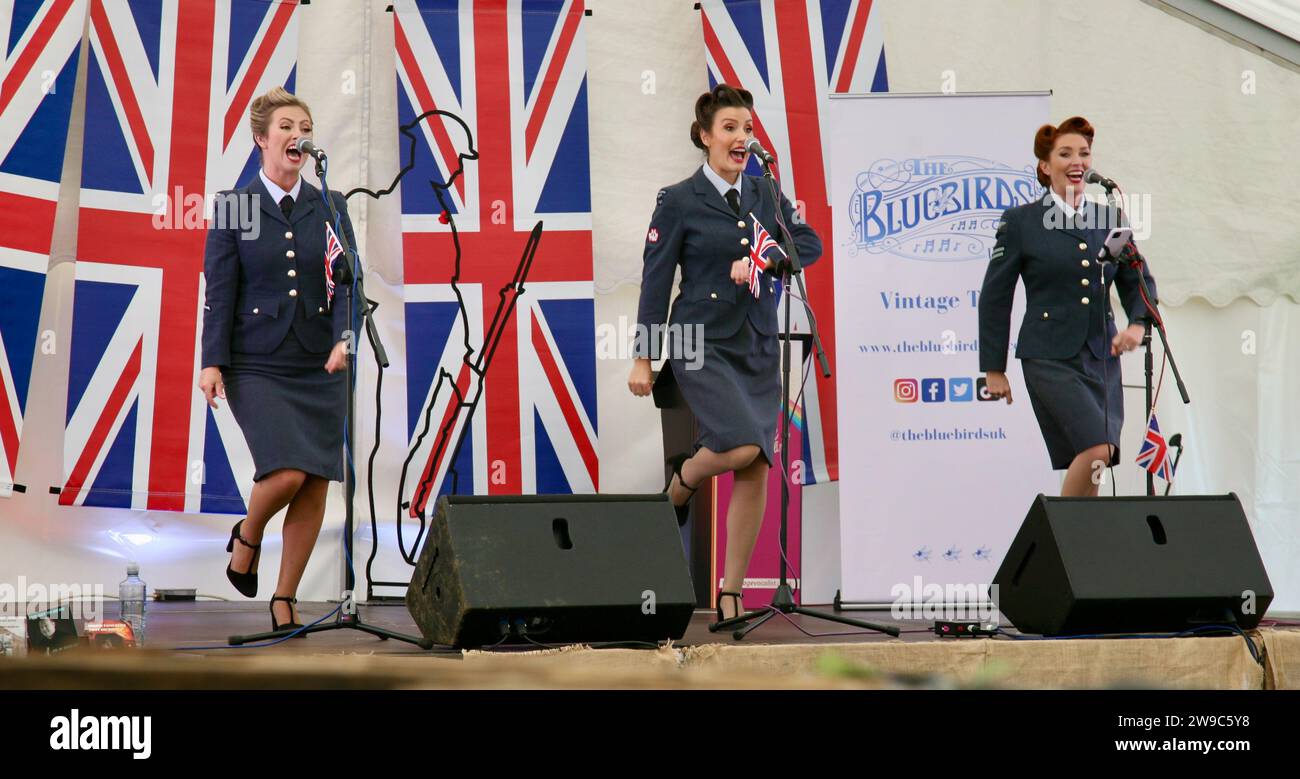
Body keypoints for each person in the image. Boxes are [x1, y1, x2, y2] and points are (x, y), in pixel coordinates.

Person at [627, 84, 822, 624]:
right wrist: (644, 356)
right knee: (738, 445)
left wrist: (768, 259)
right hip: (700, 341)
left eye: (748, 129)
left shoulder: (765, 191)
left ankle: (731, 592)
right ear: (705, 136)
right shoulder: (679, 199)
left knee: (757, 462)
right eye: (730, 128)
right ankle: (683, 481)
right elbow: (655, 281)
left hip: (757, 343)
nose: (742, 138)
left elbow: (809, 243)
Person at [197, 87, 356, 634]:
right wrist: (211, 361)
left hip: (321, 364)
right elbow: (219, 288)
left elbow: (347, 283)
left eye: (304, 125)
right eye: (286, 126)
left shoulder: (330, 205)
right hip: (257, 362)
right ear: (262, 139)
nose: (297, 134)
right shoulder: (235, 205)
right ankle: (248, 534)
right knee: (285, 472)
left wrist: (345, 338)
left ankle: (284, 599)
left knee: (314, 482)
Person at [978, 116, 1157, 496]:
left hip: (1101, 354)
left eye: (1084, 153)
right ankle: (1068, 537)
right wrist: (994, 367)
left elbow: (1136, 279)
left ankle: (1081, 543)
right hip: (1049, 355)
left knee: (1100, 455)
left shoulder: (1109, 216)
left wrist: (1138, 326)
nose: (1078, 161)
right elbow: (996, 296)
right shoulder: (1022, 221)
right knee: (1096, 448)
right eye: (1065, 154)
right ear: (1045, 166)